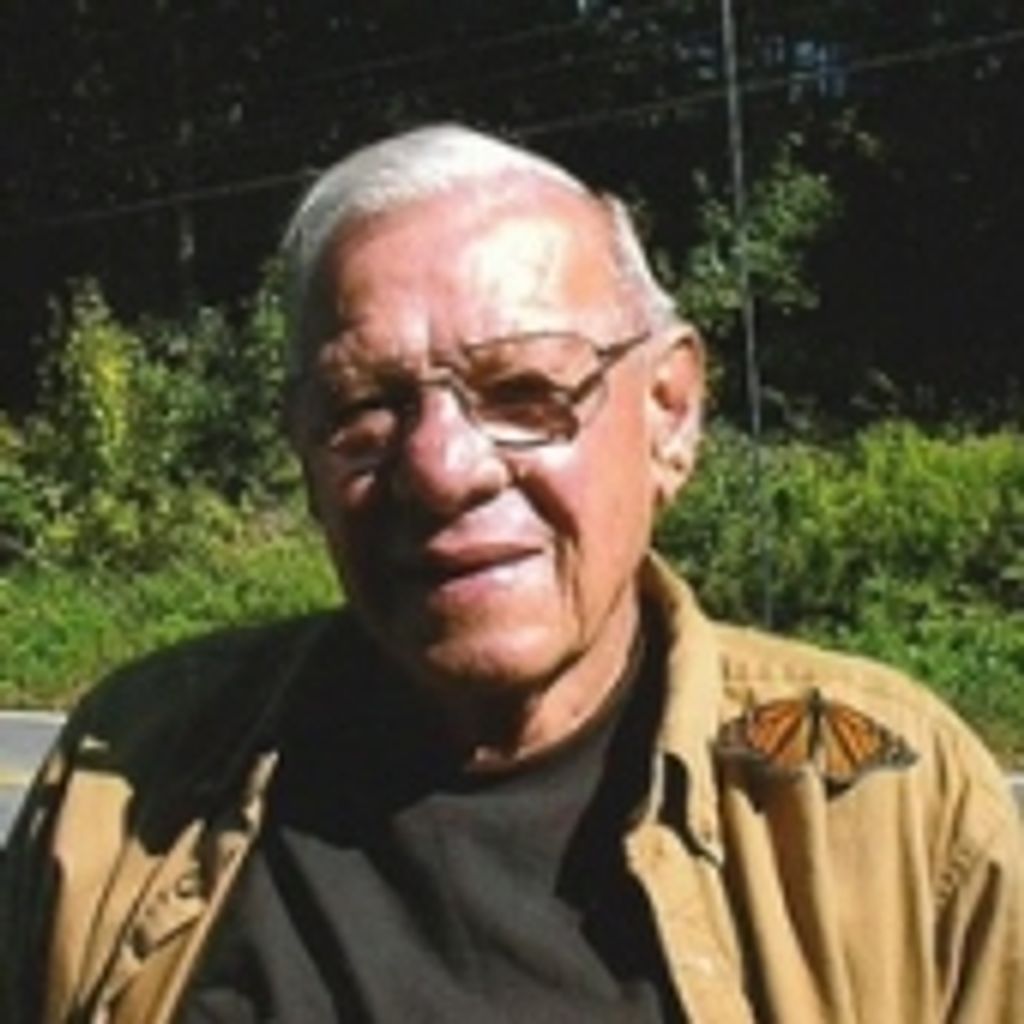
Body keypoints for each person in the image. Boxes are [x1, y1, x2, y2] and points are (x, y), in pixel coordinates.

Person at [2, 125, 1021, 1024]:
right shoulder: (130, 776)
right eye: (363, 405)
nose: (441, 468)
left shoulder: (893, 810)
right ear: (304, 452)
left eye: (524, 390)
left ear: (669, 415)